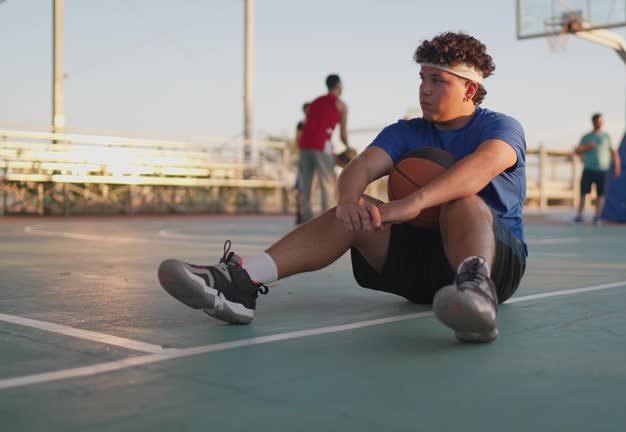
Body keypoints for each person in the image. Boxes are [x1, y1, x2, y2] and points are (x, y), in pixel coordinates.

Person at [157, 32, 527, 343]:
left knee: (462, 200)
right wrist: (349, 201)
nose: (424, 89)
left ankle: (476, 292)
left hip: (495, 263)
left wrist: (409, 204)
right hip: (420, 266)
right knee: (355, 209)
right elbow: (361, 166)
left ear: (470, 89)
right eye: (422, 78)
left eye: (438, 81)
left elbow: (478, 170)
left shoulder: (501, 127)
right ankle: (242, 282)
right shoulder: (406, 131)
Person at [296, 74, 351, 224]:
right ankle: (327, 220)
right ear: (339, 86)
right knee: (326, 182)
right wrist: (349, 147)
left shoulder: (314, 102)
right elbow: (343, 136)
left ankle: (305, 217)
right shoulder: (341, 105)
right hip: (321, 144)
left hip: (305, 144)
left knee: (306, 183)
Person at [573, 113, 620, 224]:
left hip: (602, 169)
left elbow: (614, 152)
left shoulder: (606, 137)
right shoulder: (586, 137)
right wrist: (587, 147)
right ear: (593, 122)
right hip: (589, 168)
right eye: (598, 121)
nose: (600, 123)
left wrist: (617, 167)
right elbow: (577, 150)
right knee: (584, 192)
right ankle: (579, 216)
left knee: (601, 194)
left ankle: (597, 216)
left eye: (601, 121)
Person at [294, 102, 310, 224]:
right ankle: (300, 212)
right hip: (305, 157)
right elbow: (297, 140)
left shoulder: (313, 123)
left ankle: (306, 212)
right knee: (301, 186)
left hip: (309, 157)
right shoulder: (302, 124)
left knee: (309, 186)